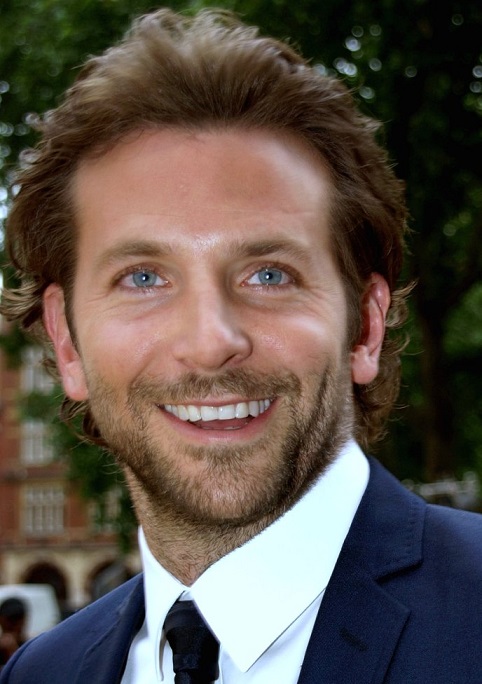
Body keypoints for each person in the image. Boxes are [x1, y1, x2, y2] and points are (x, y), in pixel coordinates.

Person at [0, 7, 481, 683]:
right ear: (67, 341)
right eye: (143, 278)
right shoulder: (40, 674)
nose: (210, 343)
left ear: (365, 327)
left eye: (268, 275)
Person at [0, 599, 27, 670]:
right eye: (10, 619)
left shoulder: (30, 647)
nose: (15, 624)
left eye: (18, 618)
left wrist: (12, 652)